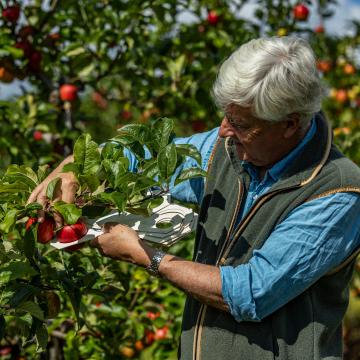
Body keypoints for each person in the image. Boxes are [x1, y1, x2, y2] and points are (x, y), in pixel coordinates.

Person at [28, 36, 360, 360]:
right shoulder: (224, 150)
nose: (223, 130)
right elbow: (141, 158)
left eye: (240, 123)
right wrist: (73, 169)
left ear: (289, 124)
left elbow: (251, 292)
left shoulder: (338, 193)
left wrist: (150, 258)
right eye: (226, 115)